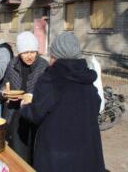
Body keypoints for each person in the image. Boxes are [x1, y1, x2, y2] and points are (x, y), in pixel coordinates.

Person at [20, 32, 105, 172]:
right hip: (85, 152)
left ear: (55, 56)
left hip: (57, 154)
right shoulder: (87, 78)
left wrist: (24, 106)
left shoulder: (50, 79)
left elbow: (35, 114)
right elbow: (96, 107)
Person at [3, 31, 48, 164]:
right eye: (25, 52)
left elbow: (48, 93)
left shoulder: (43, 66)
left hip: (35, 115)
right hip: (15, 114)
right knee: (18, 152)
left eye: (32, 52)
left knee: (34, 151)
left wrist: (31, 97)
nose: (29, 56)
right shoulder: (12, 64)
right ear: (19, 52)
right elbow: (5, 84)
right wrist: (6, 94)